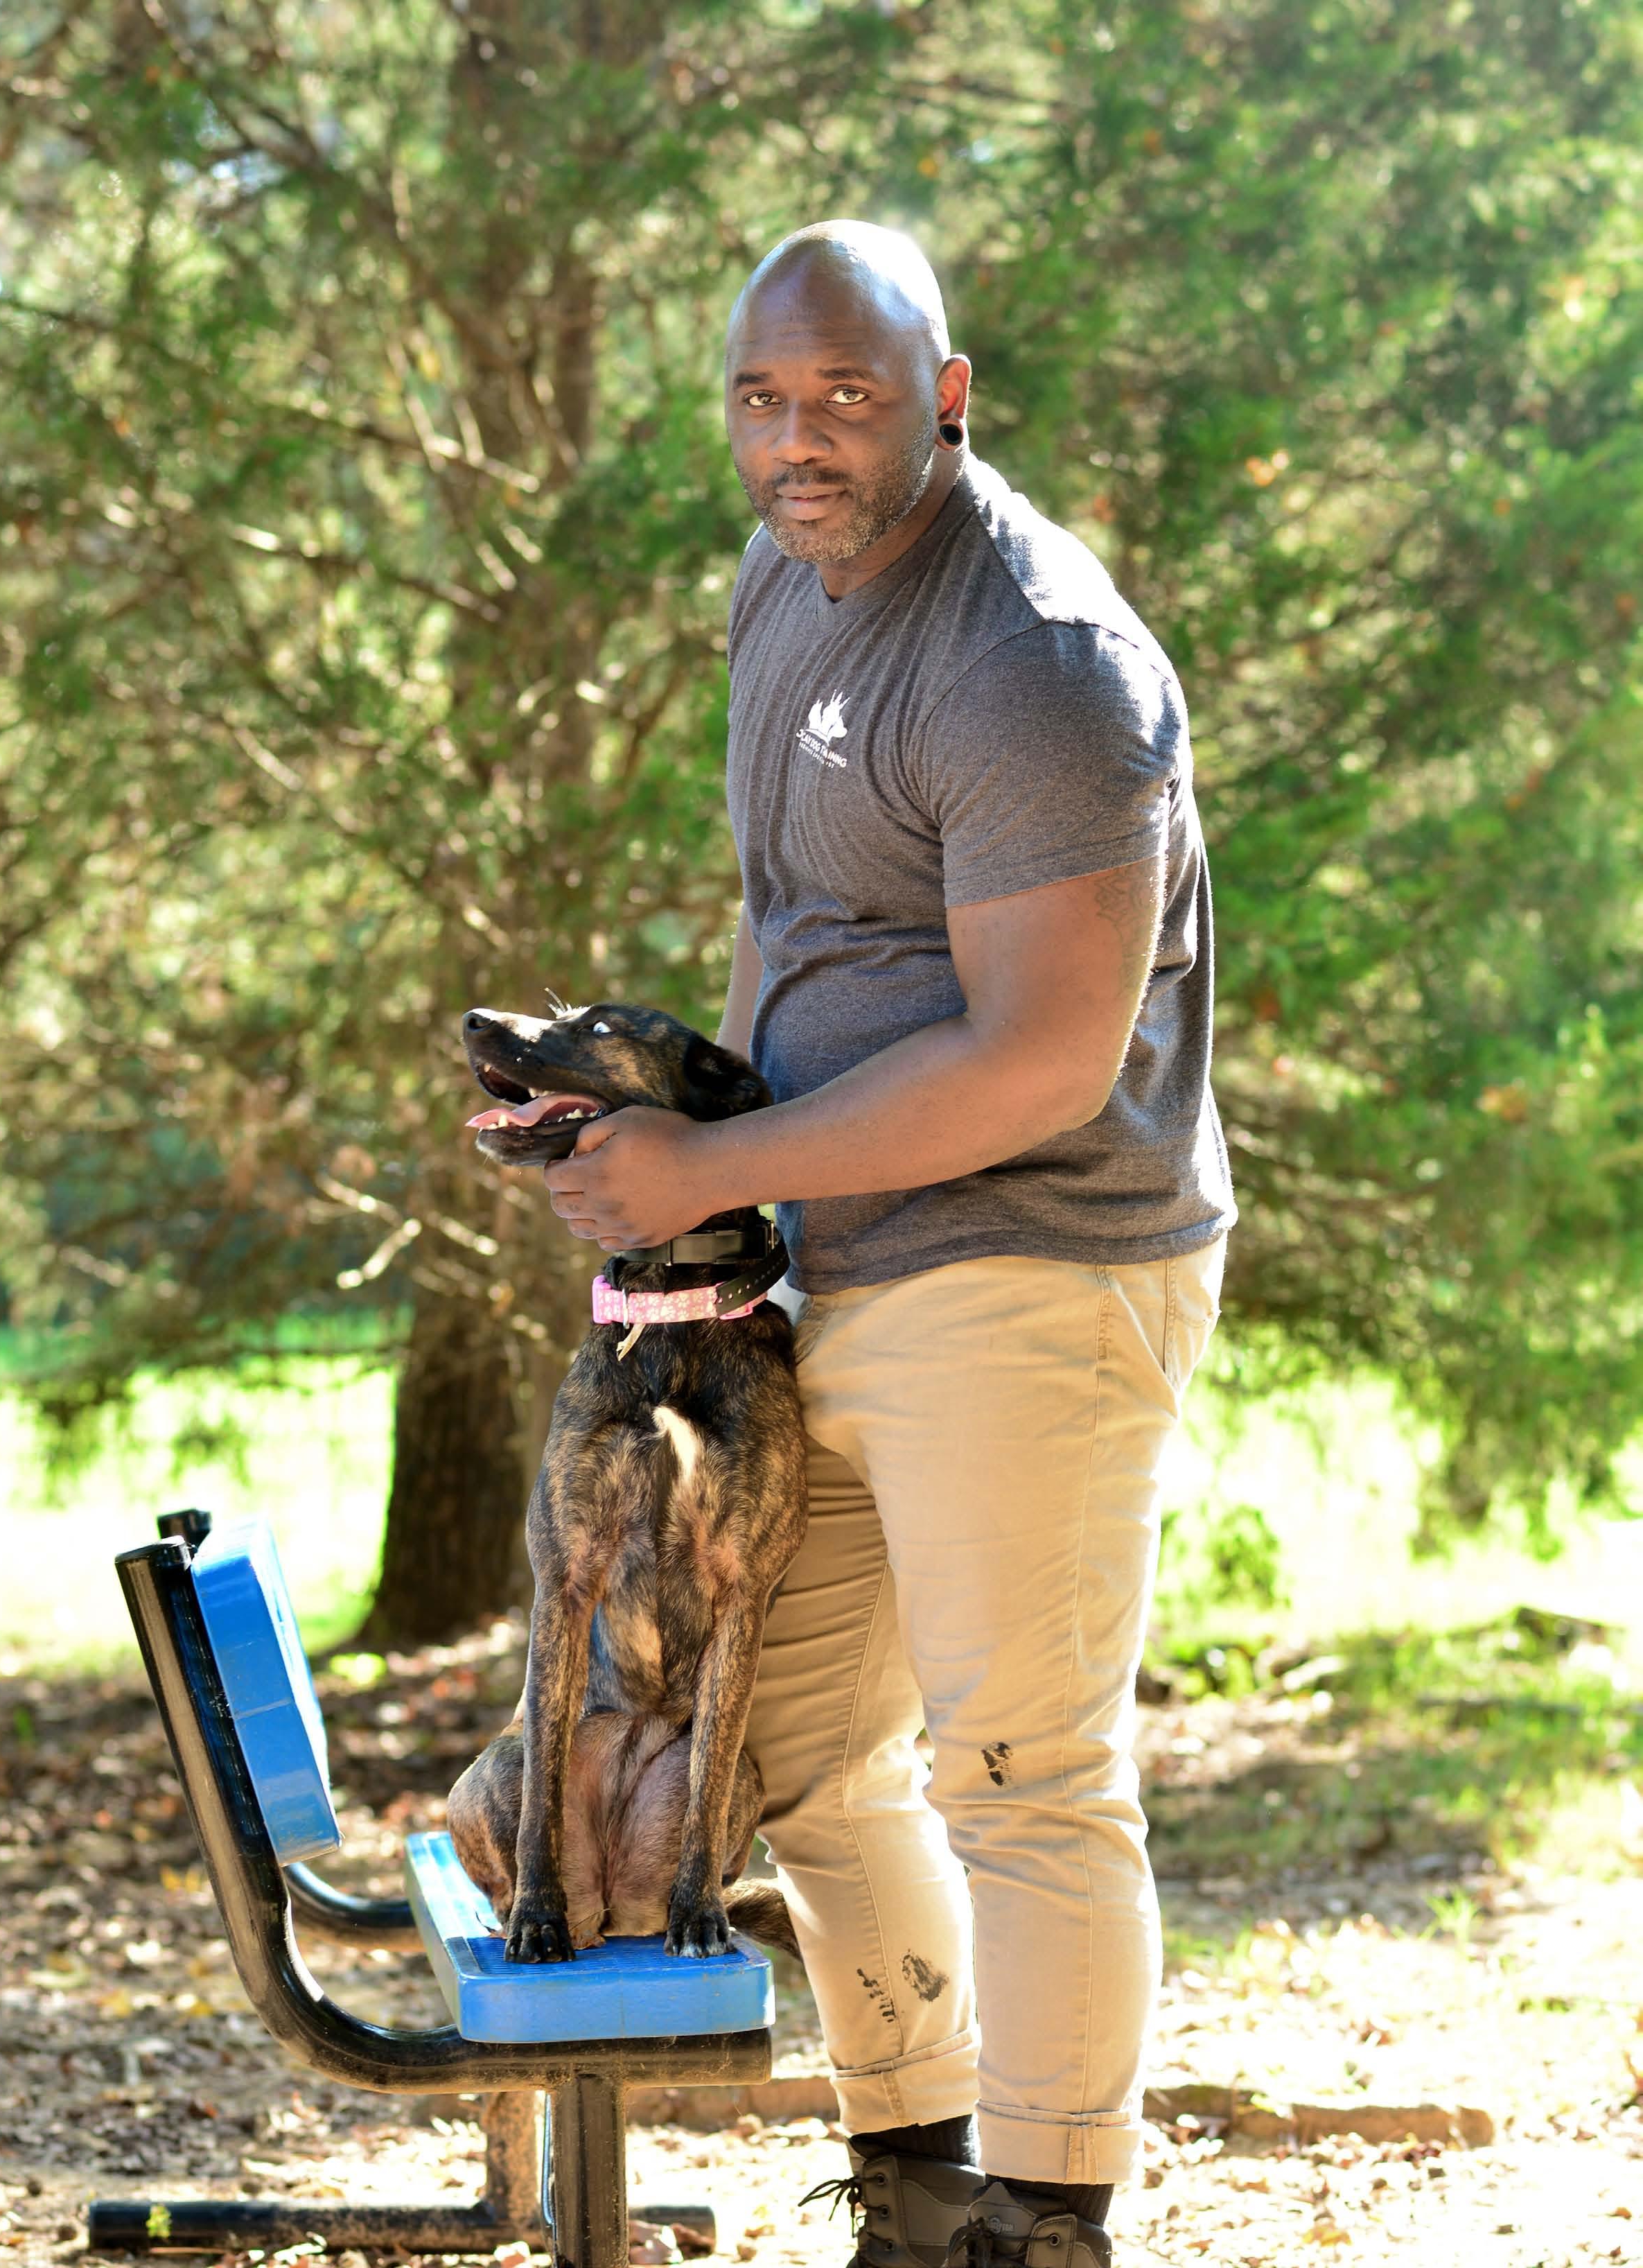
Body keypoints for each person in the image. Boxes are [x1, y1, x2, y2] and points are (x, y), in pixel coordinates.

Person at [543, 220, 1235, 2268]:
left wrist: (703, 1166)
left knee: (1024, 1768)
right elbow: (794, 919)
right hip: (825, 1260)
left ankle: (1048, 2221)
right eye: (762, 400)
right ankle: (923, 2194)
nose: (799, 441)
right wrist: (711, 1186)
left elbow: (1040, 1060)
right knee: (793, 1751)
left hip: (1032, 1262)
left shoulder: (1038, 663)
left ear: (946, 396)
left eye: (846, 397)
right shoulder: (788, 579)